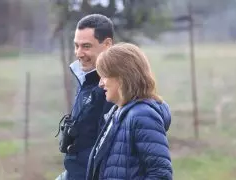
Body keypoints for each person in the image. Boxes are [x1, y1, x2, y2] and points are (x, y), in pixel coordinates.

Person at [86, 43, 173, 180]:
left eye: (104, 76)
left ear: (123, 77)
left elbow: (161, 175)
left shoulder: (143, 115)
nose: (100, 83)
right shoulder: (116, 113)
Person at [56, 14, 115, 180]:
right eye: (76, 46)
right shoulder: (86, 79)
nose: (79, 53)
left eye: (86, 46)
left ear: (107, 45)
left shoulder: (115, 88)